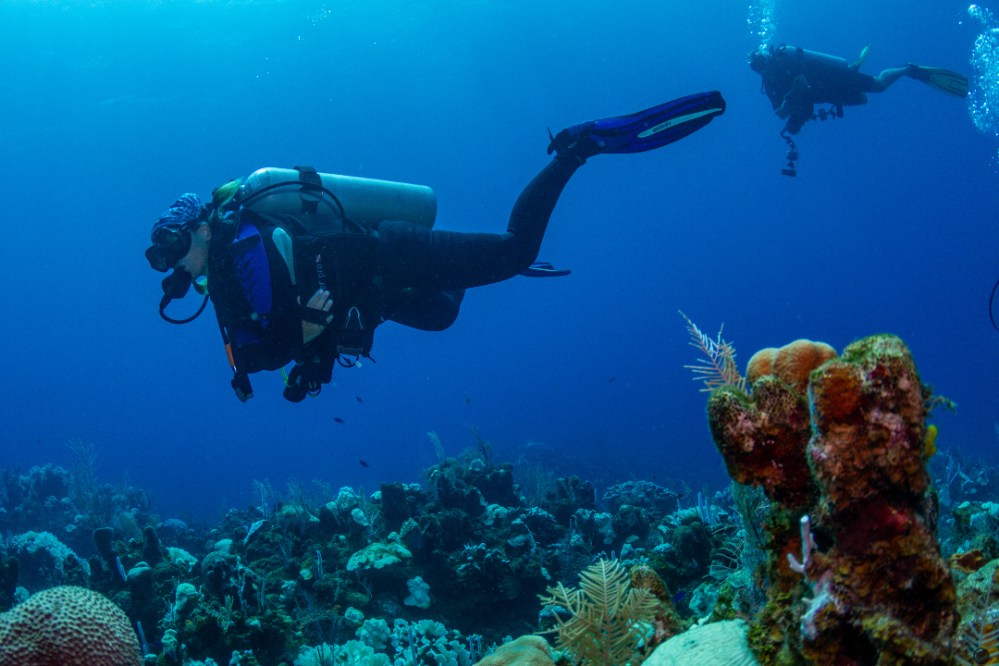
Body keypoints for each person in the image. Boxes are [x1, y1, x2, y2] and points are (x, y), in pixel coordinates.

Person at [145, 91, 726, 402]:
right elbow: (268, 344)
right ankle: (478, 260)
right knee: (443, 313)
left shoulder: (241, 247)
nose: (171, 258)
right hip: (376, 292)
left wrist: (300, 341)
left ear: (200, 227)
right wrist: (305, 358)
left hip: (386, 254)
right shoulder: (222, 277)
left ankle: (576, 148)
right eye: (163, 254)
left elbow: (286, 316)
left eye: (173, 242)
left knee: (514, 250)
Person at [749, 44, 968, 175]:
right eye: (759, 68)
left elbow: (802, 83)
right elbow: (780, 112)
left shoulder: (783, 60)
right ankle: (857, 68)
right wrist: (791, 98)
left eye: (763, 63)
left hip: (832, 78)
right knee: (863, 99)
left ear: (766, 58)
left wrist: (793, 97)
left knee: (879, 85)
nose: (764, 69)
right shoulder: (770, 84)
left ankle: (908, 70)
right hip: (827, 94)